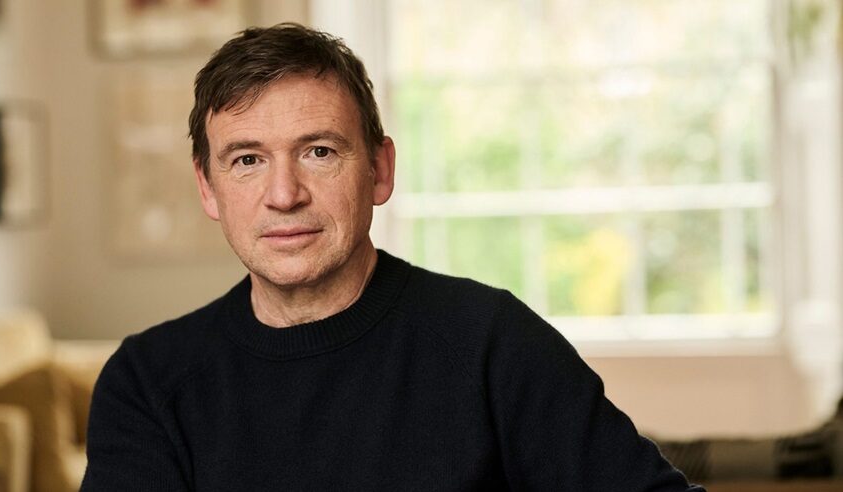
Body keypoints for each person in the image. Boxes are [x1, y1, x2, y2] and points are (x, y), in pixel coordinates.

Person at [81, 23, 704, 491]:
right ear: (207, 188)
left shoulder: (492, 343)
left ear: (380, 170)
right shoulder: (148, 383)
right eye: (247, 160)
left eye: (319, 151)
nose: (283, 194)